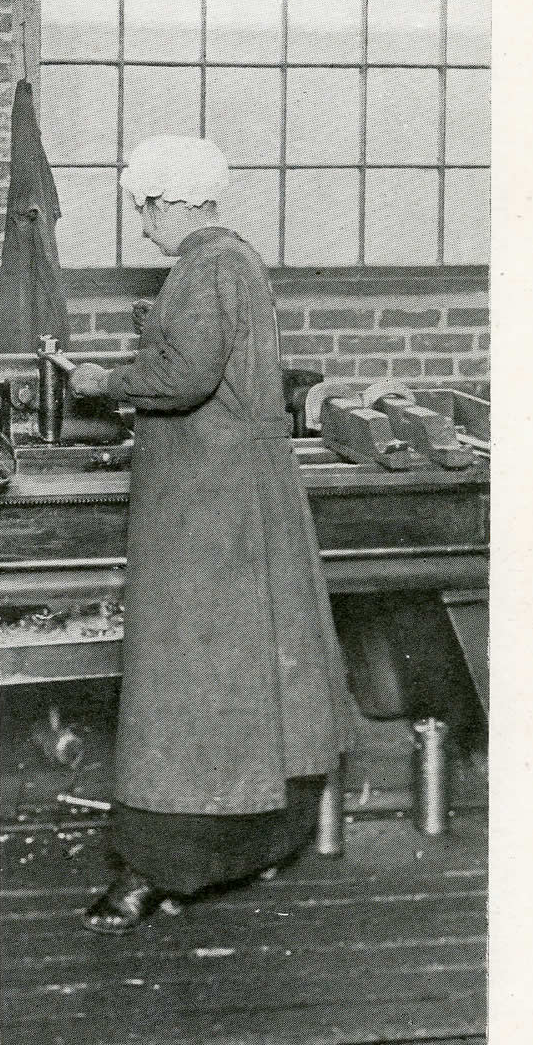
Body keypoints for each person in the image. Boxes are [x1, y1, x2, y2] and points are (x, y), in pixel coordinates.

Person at [82, 136, 350, 932]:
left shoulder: (203, 267)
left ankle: (155, 868)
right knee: (244, 678)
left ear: (168, 202)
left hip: (207, 507)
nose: (140, 229)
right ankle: (243, 849)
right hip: (236, 497)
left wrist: (104, 381)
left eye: (141, 209)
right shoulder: (239, 261)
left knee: (187, 684)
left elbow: (186, 377)